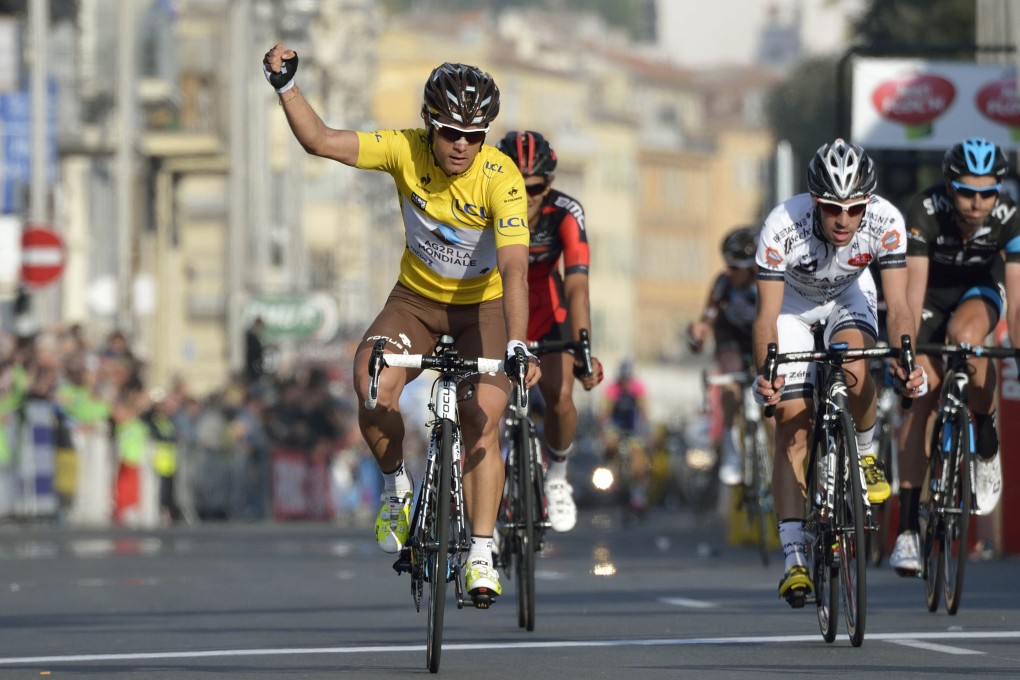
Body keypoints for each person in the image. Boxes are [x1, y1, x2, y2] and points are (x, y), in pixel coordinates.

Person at [263, 45, 540, 605]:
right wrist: (286, 86)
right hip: (415, 300)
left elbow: (514, 266)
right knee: (370, 378)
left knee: (481, 415)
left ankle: (481, 554)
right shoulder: (402, 150)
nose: (462, 145)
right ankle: (396, 489)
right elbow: (321, 142)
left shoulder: (500, 176)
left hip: (481, 307)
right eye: (450, 133)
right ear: (428, 127)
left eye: (475, 134)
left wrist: (517, 343)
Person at [752, 138, 926, 606]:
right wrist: (766, 372)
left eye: (853, 209)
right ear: (815, 202)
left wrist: (905, 357)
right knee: (791, 424)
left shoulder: (886, 221)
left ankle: (865, 452)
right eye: (832, 209)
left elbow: (902, 307)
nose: (844, 220)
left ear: (866, 203)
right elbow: (766, 317)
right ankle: (794, 560)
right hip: (791, 308)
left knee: (855, 364)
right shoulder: (781, 226)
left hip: (848, 297)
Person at [889, 137, 1020, 575]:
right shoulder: (925, 210)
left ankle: (985, 440)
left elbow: (1017, 306)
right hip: (930, 296)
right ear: (949, 186)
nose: (977, 202)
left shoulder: (1009, 217)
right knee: (923, 393)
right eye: (967, 191)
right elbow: (912, 294)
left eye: (988, 191)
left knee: (967, 338)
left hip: (978, 292)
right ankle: (907, 532)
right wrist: (906, 354)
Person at [496, 130, 604, 533]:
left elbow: (577, 284)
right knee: (485, 409)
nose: (524, 196)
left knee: (560, 398)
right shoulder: (483, 202)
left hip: (548, 304)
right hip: (498, 305)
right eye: (514, 186)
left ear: (550, 185)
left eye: (535, 187)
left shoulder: (566, 212)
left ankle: (557, 475)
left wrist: (584, 348)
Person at [688, 226, 759, 486]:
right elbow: (708, 316)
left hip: (761, 335)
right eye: (726, 265)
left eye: (735, 267)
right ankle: (730, 447)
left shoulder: (768, 280)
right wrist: (699, 332)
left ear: (752, 267)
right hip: (731, 336)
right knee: (731, 385)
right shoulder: (723, 282)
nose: (728, 271)